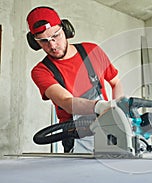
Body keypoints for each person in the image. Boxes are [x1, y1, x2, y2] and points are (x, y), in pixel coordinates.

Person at [26, 6, 124, 153]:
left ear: (65, 29)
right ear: (35, 43)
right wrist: (101, 106)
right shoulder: (41, 71)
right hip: (75, 136)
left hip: (106, 131)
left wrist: (118, 109)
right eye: (43, 41)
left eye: (56, 36)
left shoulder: (92, 51)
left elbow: (115, 82)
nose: (52, 45)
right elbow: (67, 102)